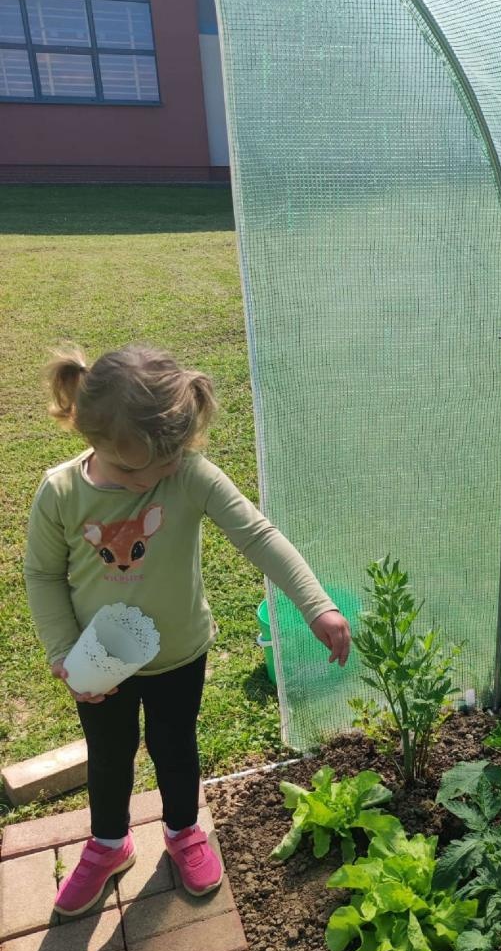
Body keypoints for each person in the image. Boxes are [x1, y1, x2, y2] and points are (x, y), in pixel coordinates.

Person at [24, 344, 351, 917]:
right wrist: (62, 650)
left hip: (178, 653)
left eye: (172, 457)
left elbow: (258, 535)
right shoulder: (61, 493)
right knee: (109, 753)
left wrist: (315, 604)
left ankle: (182, 830)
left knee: (175, 747)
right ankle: (108, 844)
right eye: (140, 467)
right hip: (99, 662)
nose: (161, 473)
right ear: (92, 436)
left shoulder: (187, 474)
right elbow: (44, 575)